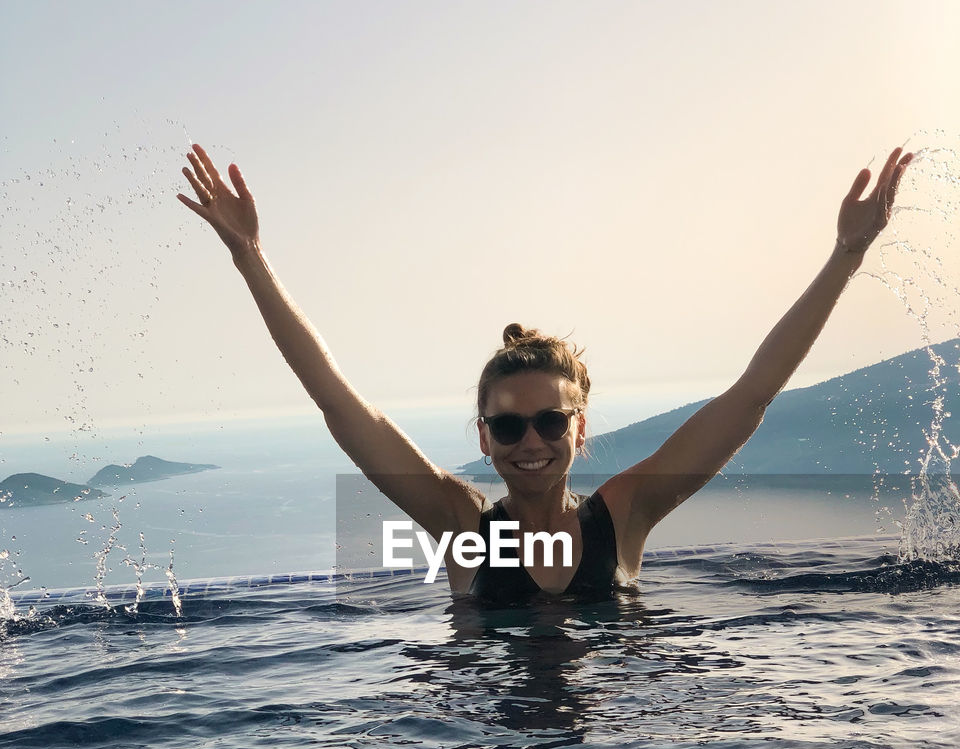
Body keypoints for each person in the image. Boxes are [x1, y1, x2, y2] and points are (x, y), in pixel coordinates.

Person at [178, 143, 912, 600]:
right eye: (507, 424)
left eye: (549, 420)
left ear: (578, 427)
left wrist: (847, 255)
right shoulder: (459, 523)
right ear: (485, 436)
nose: (531, 440)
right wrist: (251, 258)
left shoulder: (625, 517)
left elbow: (753, 394)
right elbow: (341, 405)